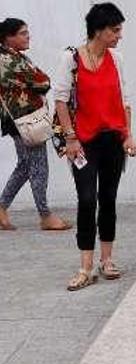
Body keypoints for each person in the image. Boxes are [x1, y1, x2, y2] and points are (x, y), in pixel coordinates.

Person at [54, 3, 136, 291]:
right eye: (115, 30)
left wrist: (128, 135)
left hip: (113, 140)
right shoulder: (71, 59)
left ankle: (107, 260)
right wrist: (70, 138)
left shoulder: (118, 59)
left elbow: (124, 99)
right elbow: (61, 101)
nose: (120, 35)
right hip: (83, 142)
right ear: (99, 30)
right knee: (87, 199)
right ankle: (85, 267)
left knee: (109, 198)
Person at [0, 18, 71, 231]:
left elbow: (40, 80)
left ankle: (1, 207)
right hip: (24, 120)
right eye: (22, 33)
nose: (27, 36)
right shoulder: (7, 61)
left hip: (24, 120)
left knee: (25, 166)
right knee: (39, 166)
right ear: (8, 38)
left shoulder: (16, 57)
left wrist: (39, 81)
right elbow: (42, 81)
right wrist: (39, 81)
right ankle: (45, 215)